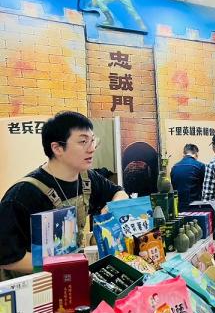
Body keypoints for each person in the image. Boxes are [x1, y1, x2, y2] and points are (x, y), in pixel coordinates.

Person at [0, 111, 128, 275]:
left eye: (92, 140)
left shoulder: (87, 178)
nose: (92, 149)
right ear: (57, 148)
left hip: (70, 274)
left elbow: (119, 193)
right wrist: (62, 263)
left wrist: (111, 209)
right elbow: (8, 259)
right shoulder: (22, 194)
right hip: (36, 282)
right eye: (83, 142)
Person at [170, 143, 206, 211]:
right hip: (195, 206)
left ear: (184, 154)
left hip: (179, 207)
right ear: (196, 154)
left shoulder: (174, 167)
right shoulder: (200, 166)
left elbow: (174, 186)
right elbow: (204, 186)